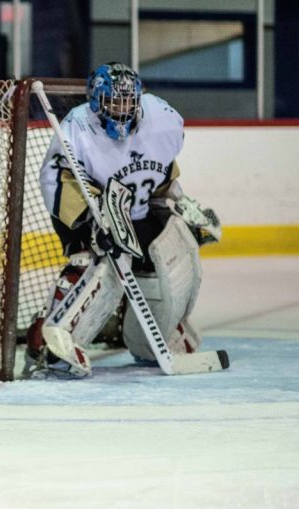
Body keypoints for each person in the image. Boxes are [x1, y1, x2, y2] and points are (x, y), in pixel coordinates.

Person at [25, 62, 221, 379]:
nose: (122, 108)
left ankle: (156, 337)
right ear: (96, 101)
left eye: (128, 101)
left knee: (175, 259)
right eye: (113, 101)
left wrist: (178, 201)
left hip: (139, 210)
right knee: (92, 264)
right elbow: (57, 181)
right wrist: (89, 223)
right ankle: (51, 344)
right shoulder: (78, 127)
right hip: (91, 211)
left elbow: (161, 168)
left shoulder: (161, 118)